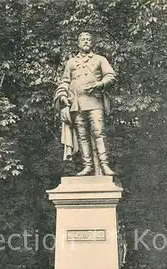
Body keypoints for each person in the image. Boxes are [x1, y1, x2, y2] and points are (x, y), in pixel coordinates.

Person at [54, 32, 116, 176]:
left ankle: (104, 165)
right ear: (78, 43)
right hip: (76, 104)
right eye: (83, 39)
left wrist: (99, 85)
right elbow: (65, 81)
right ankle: (87, 165)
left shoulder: (100, 59)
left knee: (99, 133)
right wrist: (63, 95)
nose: (86, 42)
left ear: (92, 43)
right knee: (82, 136)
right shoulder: (71, 62)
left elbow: (111, 76)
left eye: (88, 39)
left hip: (94, 101)